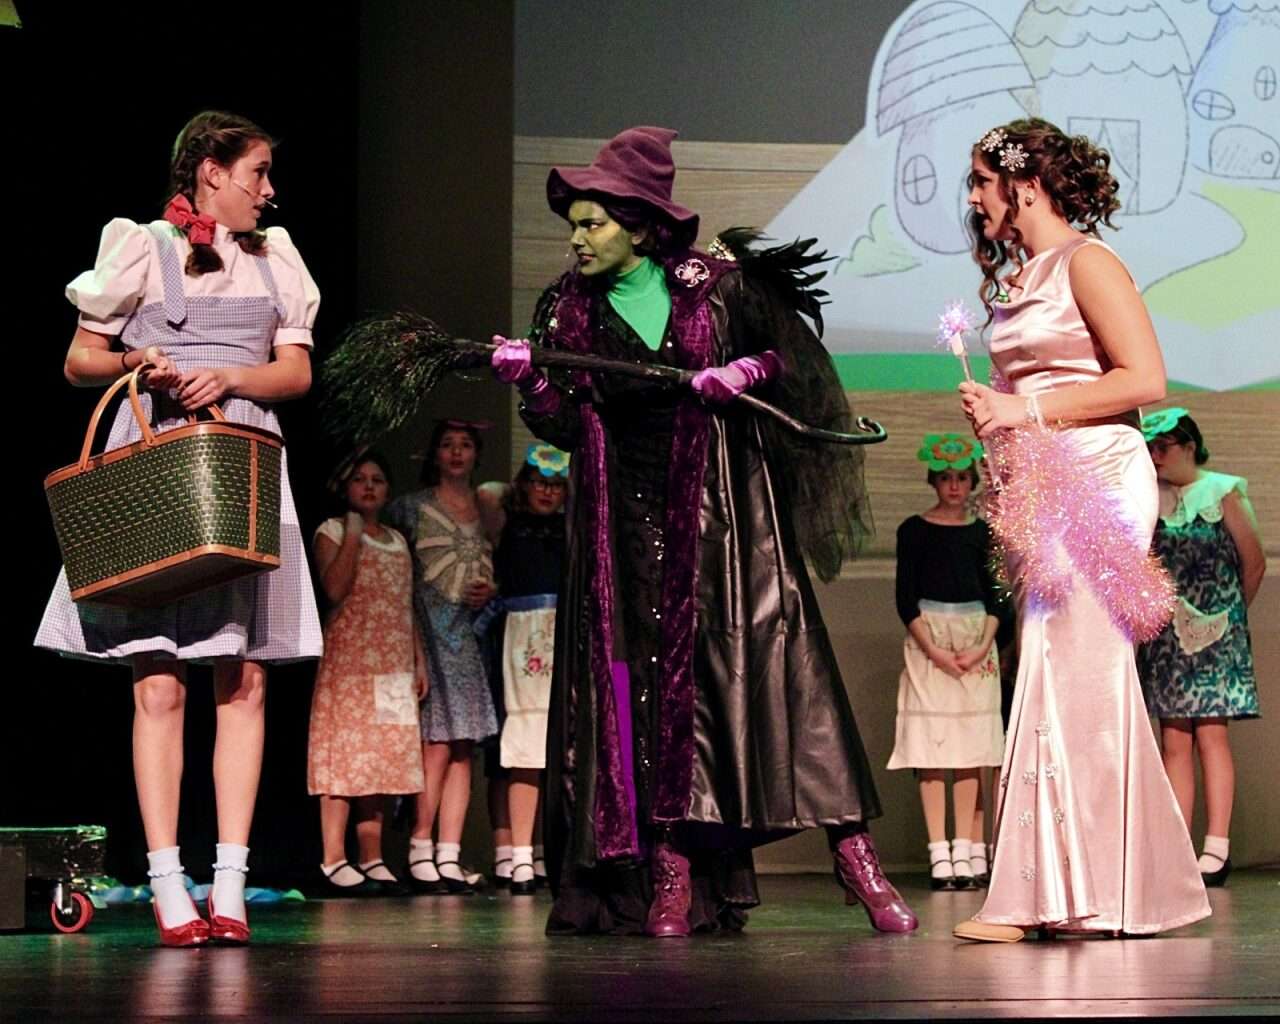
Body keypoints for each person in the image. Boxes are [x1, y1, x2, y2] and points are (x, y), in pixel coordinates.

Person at [491, 126, 915, 937]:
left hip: (725, 518)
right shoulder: (567, 307)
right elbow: (567, 427)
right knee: (643, 697)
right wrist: (533, 383)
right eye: (572, 223)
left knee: (781, 674)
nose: (576, 238)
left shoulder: (713, 287)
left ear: (641, 224)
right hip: (626, 526)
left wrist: (741, 372)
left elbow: (787, 358)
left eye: (592, 223)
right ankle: (671, 875)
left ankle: (856, 858)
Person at [35, 111, 322, 946]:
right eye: (257, 173)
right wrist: (140, 362)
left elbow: (297, 371)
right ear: (209, 171)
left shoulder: (278, 257)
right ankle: (167, 881)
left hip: (245, 463)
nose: (268, 190)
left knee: (245, 678)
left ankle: (229, 881)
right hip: (159, 462)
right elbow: (78, 359)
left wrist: (231, 374)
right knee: (157, 680)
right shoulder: (141, 246)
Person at [952, 118, 1210, 942]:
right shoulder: (1021, 277)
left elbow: (1146, 378)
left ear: (1022, 182)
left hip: (1099, 473)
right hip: (1041, 478)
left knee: (1080, 672)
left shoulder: (1088, 262)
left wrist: (1022, 408)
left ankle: (1075, 894)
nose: (970, 198)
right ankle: (1094, 888)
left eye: (978, 181)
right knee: (1053, 668)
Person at [1138, 408, 1264, 887]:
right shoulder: (1152, 499)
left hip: (1218, 634)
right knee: (1174, 739)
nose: (1155, 458)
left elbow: (1252, 563)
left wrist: (1228, 619)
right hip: (1167, 635)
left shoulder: (1223, 490)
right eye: (1150, 449)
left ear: (1189, 446)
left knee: (1212, 734)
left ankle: (1217, 847)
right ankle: (1176, 844)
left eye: (1162, 448)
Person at [386, 420, 499, 893]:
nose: (456, 453)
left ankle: (449, 853)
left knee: (463, 746)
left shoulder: (489, 508)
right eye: (448, 445)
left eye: (466, 446)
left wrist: (494, 589)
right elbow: (393, 570)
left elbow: (504, 564)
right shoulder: (410, 508)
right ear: (434, 455)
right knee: (433, 744)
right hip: (429, 628)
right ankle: (420, 846)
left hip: (473, 632)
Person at [309, 452, 428, 895]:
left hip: (393, 663)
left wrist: (419, 658)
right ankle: (333, 858)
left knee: (381, 763)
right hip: (351, 662)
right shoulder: (333, 531)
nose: (370, 486)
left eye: (378, 479)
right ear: (345, 487)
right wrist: (354, 535)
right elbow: (335, 589)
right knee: (344, 760)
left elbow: (406, 604)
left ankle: (372, 857)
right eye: (360, 479)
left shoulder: (398, 539)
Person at [889, 434, 1003, 891]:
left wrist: (981, 646)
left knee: (973, 748)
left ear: (971, 481)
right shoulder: (913, 531)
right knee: (933, 748)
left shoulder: (983, 532)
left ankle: (969, 848)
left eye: (961, 478)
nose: (954, 487)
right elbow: (905, 597)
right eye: (945, 479)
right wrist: (932, 649)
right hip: (929, 642)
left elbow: (999, 597)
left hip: (976, 641)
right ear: (934, 481)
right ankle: (940, 851)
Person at [479, 443, 570, 894]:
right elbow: (486, 491)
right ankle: (518, 856)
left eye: (555, 485)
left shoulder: (571, 530)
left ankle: (551, 851)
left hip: (562, 637)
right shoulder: (509, 524)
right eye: (539, 482)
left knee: (559, 751)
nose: (547, 492)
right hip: (522, 640)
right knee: (524, 750)